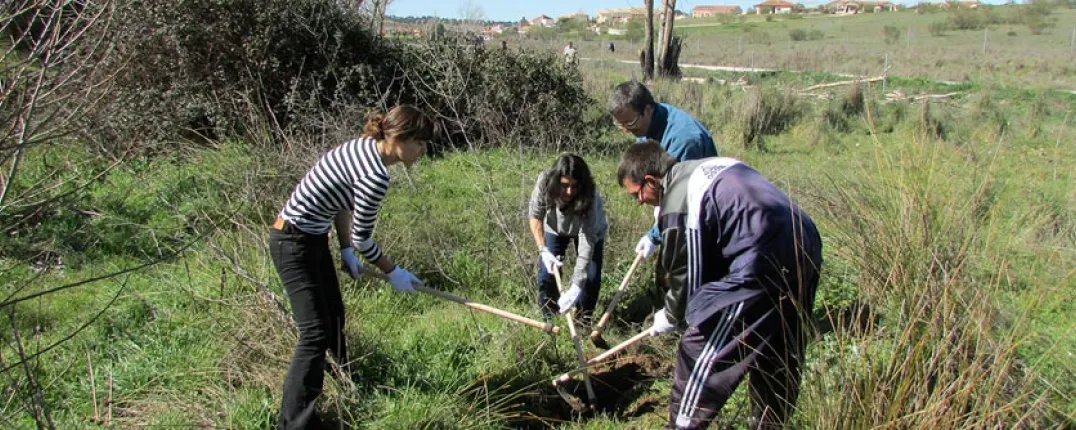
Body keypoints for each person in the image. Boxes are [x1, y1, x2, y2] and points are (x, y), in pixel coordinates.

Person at [616, 141, 822, 430]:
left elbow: (689, 277)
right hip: (805, 241)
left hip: (762, 256)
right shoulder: (708, 167)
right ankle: (770, 424)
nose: (639, 201)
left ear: (651, 181)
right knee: (778, 350)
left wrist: (671, 315)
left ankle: (681, 426)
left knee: (697, 347)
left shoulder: (677, 201)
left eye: (637, 194)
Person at [269, 104, 435, 430]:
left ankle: (344, 384)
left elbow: (341, 204)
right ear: (400, 138)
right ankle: (293, 424)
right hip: (292, 243)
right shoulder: (376, 176)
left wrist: (343, 248)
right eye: (420, 142)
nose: (423, 150)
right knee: (314, 334)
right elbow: (364, 239)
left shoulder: (361, 147)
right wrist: (393, 271)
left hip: (312, 238)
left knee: (334, 315)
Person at [608, 80, 719, 264]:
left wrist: (654, 235)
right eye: (621, 125)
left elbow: (681, 203)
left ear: (648, 110)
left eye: (630, 123)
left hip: (701, 215)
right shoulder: (646, 124)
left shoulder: (683, 142)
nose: (626, 130)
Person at [528, 153, 608, 324]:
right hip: (555, 228)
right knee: (546, 275)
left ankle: (582, 322)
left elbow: (587, 241)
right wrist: (543, 249)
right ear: (556, 181)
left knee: (590, 277)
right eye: (564, 185)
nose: (569, 191)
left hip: (589, 231)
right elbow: (535, 216)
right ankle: (550, 321)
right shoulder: (544, 181)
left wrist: (576, 286)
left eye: (574, 186)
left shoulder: (589, 195)